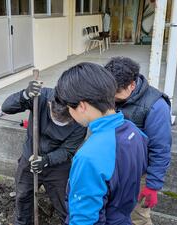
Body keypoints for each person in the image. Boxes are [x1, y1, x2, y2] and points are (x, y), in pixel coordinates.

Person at [55, 62, 148, 224]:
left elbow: (84, 219)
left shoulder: (89, 156)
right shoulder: (133, 131)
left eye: (70, 107)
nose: (69, 112)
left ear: (82, 106)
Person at [2, 81, 87, 224]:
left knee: (65, 203)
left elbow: (68, 150)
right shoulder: (40, 98)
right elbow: (6, 107)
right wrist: (24, 95)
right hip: (30, 157)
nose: (59, 123)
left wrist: (47, 160)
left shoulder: (79, 121)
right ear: (50, 104)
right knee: (23, 196)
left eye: (64, 121)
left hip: (57, 165)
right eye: (56, 117)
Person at [105, 57, 172, 225]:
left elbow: (160, 149)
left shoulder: (156, 106)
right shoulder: (109, 92)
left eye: (116, 93)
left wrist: (152, 186)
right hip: (112, 168)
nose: (110, 97)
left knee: (138, 217)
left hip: (137, 174)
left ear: (132, 85)